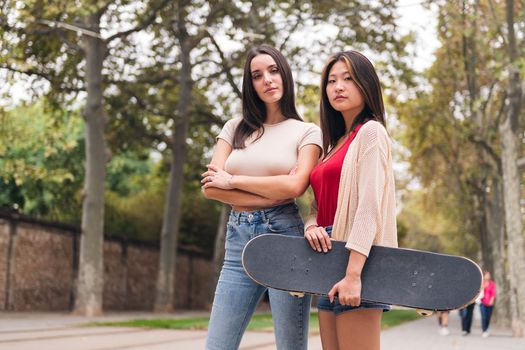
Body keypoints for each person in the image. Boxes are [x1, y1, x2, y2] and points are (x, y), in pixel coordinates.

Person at [201, 44, 322, 350]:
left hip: (285, 239)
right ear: (250, 84)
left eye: (273, 70)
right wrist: (272, 192)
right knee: (217, 345)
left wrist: (234, 181)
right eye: (257, 75)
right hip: (238, 238)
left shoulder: (307, 132)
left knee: (290, 346)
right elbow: (210, 188)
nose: (267, 79)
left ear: (285, 75)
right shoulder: (234, 128)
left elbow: (295, 188)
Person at [303, 51, 398, 350]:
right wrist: (310, 226)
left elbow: (369, 207)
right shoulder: (333, 145)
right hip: (327, 257)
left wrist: (353, 274)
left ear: (366, 85)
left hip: (358, 259)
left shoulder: (371, 133)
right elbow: (316, 207)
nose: (338, 87)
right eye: (331, 81)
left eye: (348, 79)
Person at [480, 271, 496, 338]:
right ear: (484, 276)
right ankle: (484, 330)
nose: (488, 276)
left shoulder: (492, 284)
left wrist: (492, 300)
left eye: (489, 275)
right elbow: (479, 292)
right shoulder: (481, 283)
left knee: (488, 317)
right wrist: (483, 287)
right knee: (483, 317)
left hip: (489, 302)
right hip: (482, 302)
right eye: (487, 275)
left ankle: (486, 328)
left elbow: (493, 293)